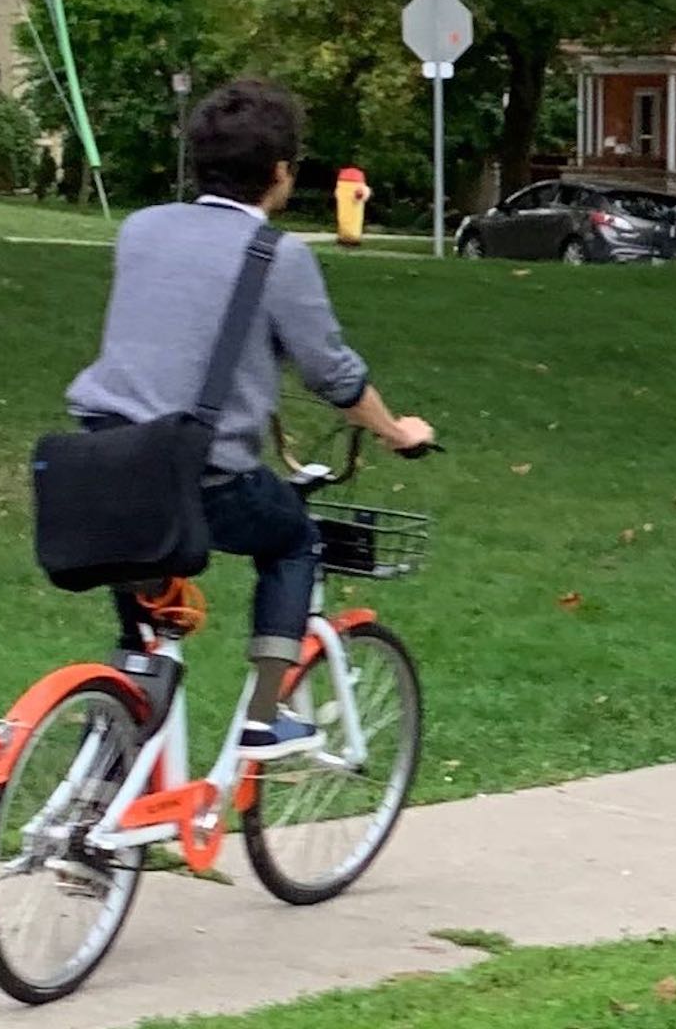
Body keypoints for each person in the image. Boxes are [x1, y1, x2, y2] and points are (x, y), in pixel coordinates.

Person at [65, 80, 434, 761]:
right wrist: (397, 431)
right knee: (293, 541)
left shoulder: (141, 229)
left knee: (145, 629)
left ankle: (104, 774)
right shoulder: (277, 255)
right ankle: (263, 716)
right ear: (280, 173)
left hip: (98, 462)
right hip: (198, 476)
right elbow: (334, 376)